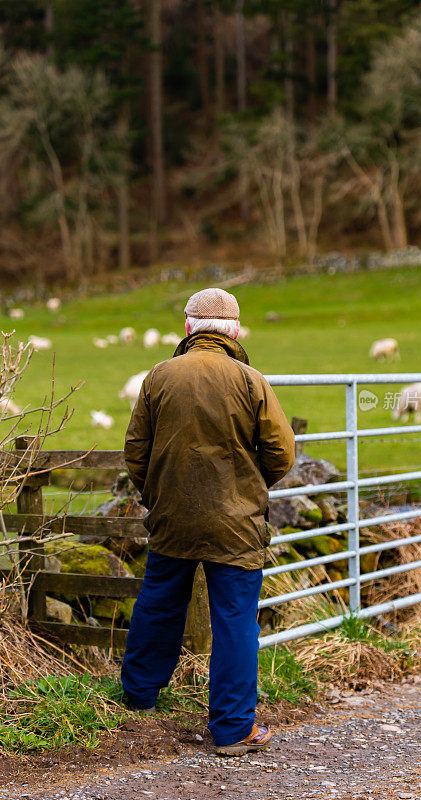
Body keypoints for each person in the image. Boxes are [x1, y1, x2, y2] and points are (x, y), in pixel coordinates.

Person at [121, 287, 295, 756]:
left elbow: (135, 452)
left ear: (187, 327)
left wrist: (157, 495)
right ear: (234, 330)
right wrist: (250, 487)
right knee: (236, 621)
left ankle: (138, 699)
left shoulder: (158, 377)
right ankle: (234, 730)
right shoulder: (250, 380)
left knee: (158, 606)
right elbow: (281, 452)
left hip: (172, 520)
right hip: (235, 524)